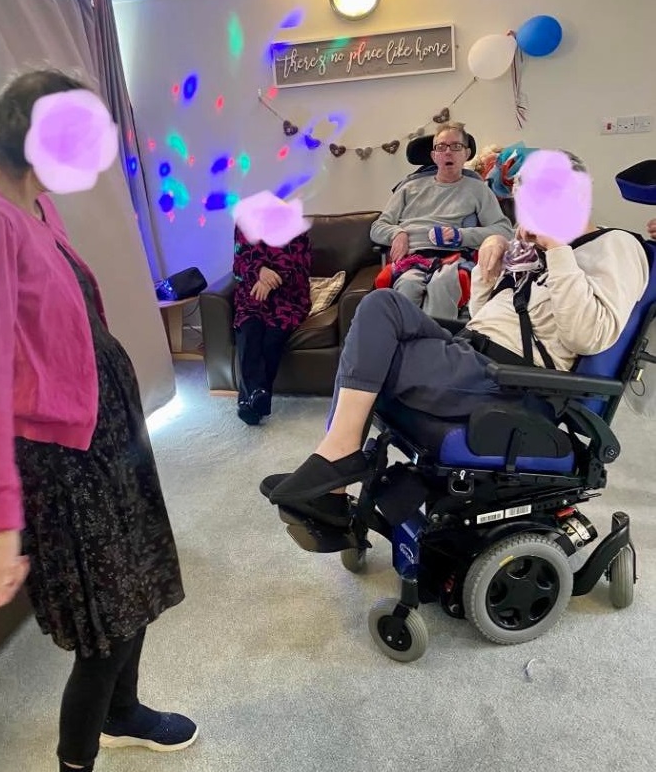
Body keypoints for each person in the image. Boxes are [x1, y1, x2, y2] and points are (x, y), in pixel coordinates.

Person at [0, 70, 197, 772]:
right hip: (62, 458)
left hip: (104, 431)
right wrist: (4, 523)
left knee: (138, 585)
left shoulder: (36, 204)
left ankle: (123, 713)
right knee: (104, 626)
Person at [262, 151, 649, 527]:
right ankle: (338, 455)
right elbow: (485, 319)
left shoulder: (618, 246)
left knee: (370, 361)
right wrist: (488, 269)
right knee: (381, 304)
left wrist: (559, 249)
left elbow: (590, 336)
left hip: (514, 382)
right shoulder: (532, 247)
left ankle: (335, 470)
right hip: (471, 352)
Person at [371, 121, 513, 319]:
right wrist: (397, 233)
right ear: (433, 155)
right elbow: (377, 227)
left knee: (442, 284)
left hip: (452, 258)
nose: (448, 152)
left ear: (466, 154)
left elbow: (504, 231)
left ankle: (438, 338)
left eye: (456, 146)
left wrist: (460, 236)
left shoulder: (478, 189)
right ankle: (406, 337)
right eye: (441, 147)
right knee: (408, 286)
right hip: (412, 259)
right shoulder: (408, 188)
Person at [233, 224, 311, 424]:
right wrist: (259, 271)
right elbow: (238, 265)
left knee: (272, 337)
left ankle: (247, 400)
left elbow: (300, 268)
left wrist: (270, 279)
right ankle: (257, 394)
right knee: (249, 330)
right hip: (252, 295)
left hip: (288, 298)